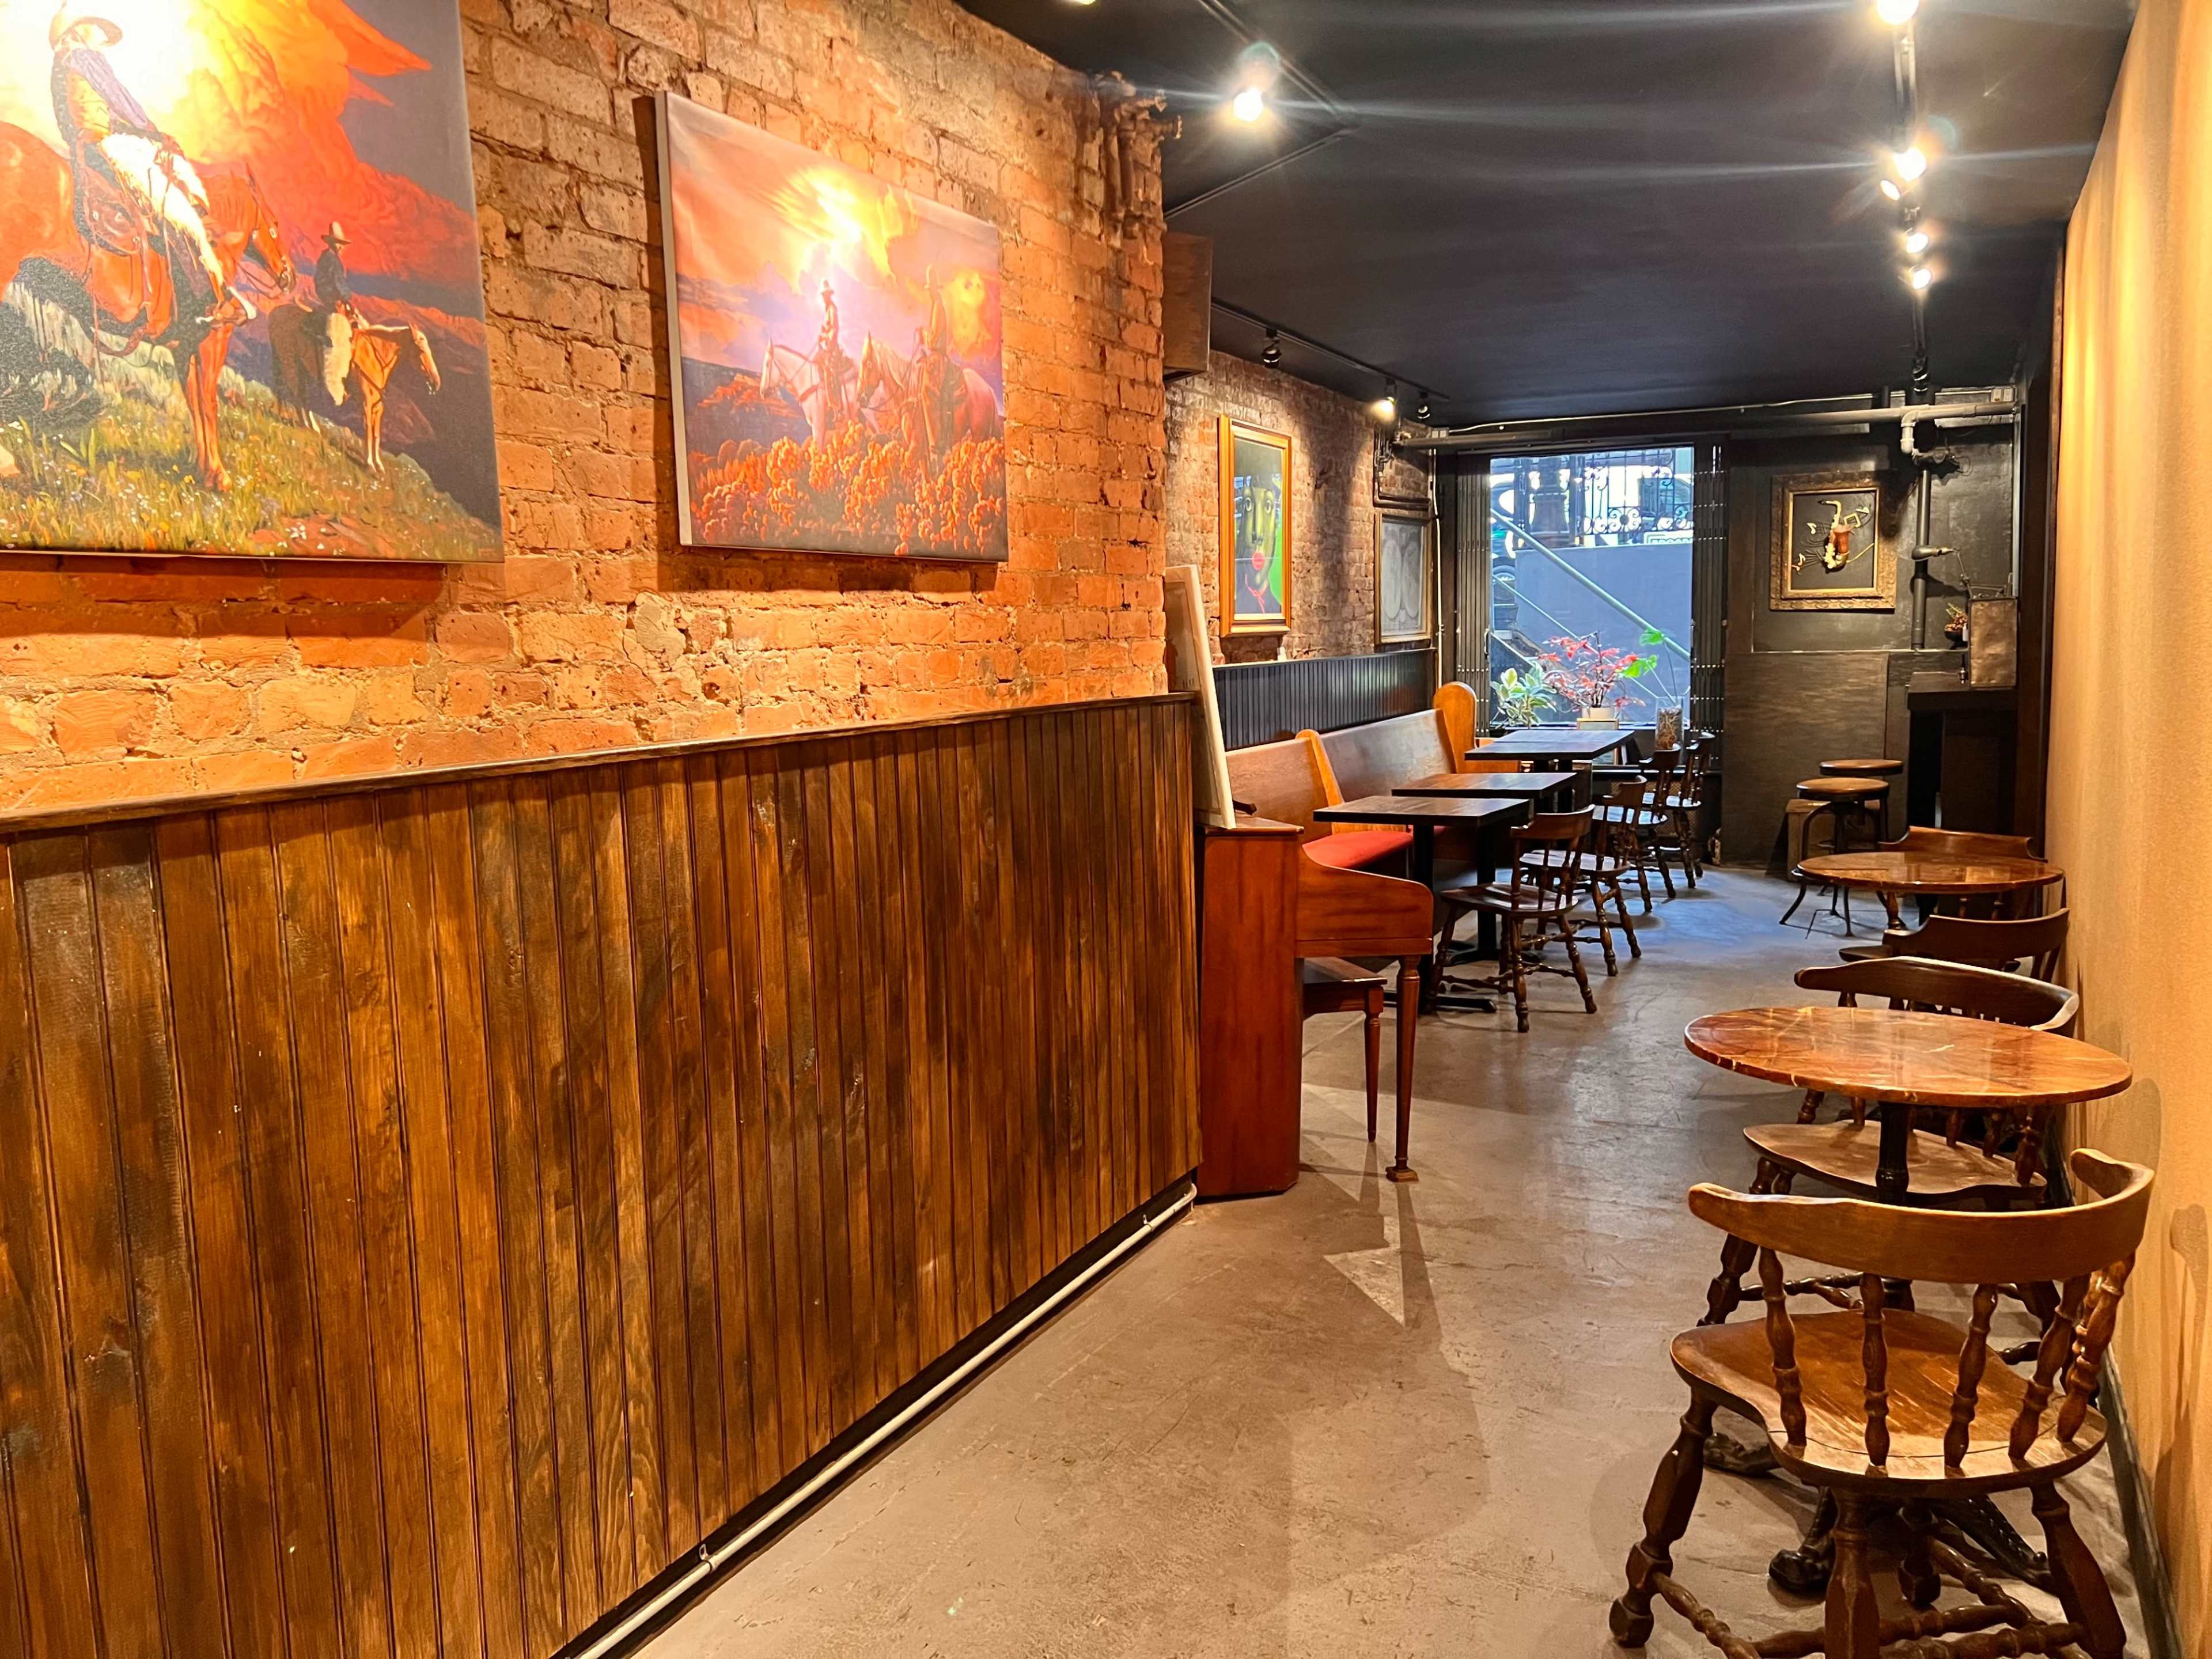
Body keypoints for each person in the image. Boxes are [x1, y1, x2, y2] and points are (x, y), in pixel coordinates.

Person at [48, 5, 249, 325]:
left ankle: (200, 233)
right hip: (105, 145)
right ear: (78, 29)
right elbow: (121, 100)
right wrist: (151, 130)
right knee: (177, 215)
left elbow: (87, 115)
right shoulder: (84, 57)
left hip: (89, 145)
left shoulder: (62, 67)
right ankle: (211, 299)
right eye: (96, 26)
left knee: (174, 178)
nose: (102, 36)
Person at [312, 222, 358, 406]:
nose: (341, 247)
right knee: (339, 340)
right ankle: (337, 387)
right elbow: (339, 283)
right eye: (338, 243)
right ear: (331, 243)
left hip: (330, 297)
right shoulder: (332, 260)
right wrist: (347, 297)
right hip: (332, 300)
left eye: (342, 244)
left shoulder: (327, 258)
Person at [810, 278, 854, 433]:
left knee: (830, 373)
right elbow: (829, 327)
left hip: (833, 347)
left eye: (825, 295)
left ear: (829, 295)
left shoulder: (832, 309)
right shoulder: (827, 309)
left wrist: (825, 338)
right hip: (828, 345)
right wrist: (823, 332)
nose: (824, 297)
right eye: (823, 295)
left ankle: (838, 409)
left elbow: (835, 330)